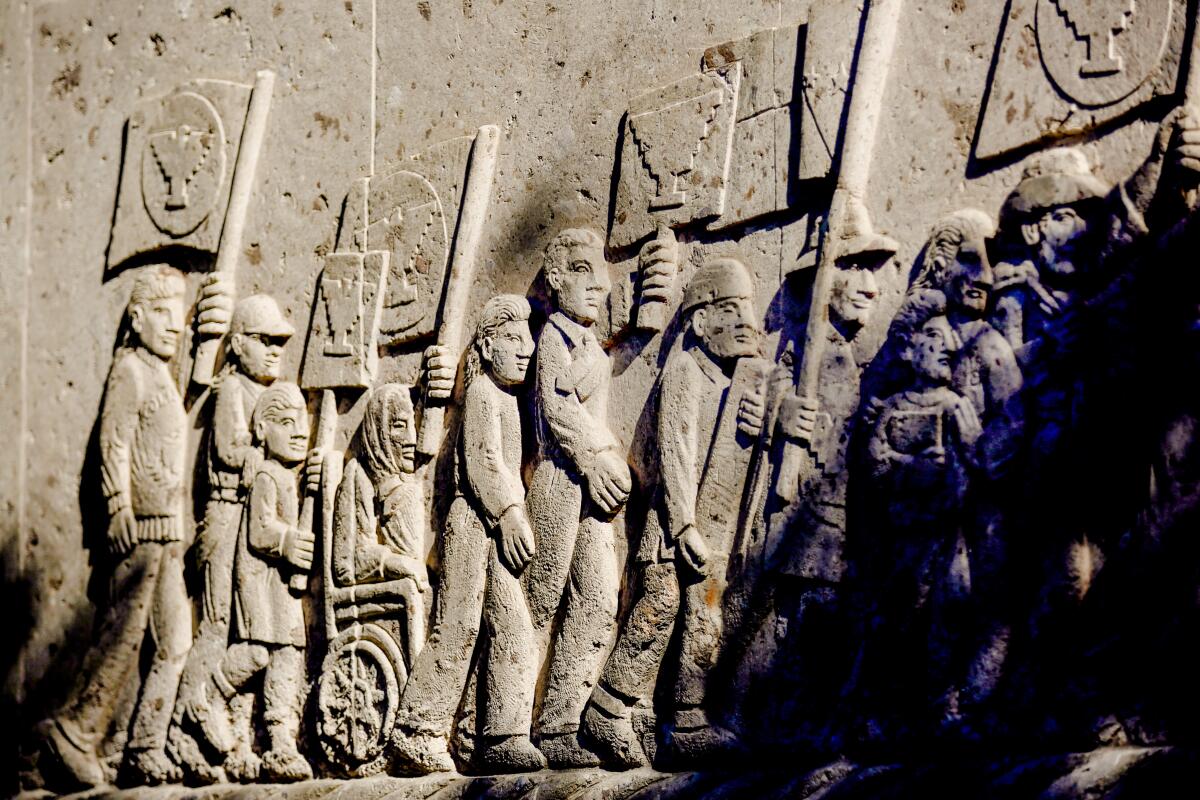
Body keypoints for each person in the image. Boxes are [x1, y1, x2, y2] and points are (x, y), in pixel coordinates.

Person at [37, 266, 230, 787]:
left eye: (180, 313)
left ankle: (137, 744)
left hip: (166, 529)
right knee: (121, 638)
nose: (175, 324)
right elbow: (113, 442)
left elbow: (180, 417)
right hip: (140, 529)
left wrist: (210, 338)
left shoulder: (161, 376)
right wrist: (118, 505)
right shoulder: (130, 371)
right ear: (137, 318)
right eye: (163, 313)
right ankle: (75, 732)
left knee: (173, 643)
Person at [580, 258, 766, 768]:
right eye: (731, 310)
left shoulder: (726, 382)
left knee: (699, 615)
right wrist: (684, 523)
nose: (745, 322)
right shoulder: (684, 371)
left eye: (747, 310)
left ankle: (675, 715)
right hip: (670, 529)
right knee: (658, 611)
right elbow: (675, 451)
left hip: (697, 528)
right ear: (701, 321)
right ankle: (611, 708)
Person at [392, 295, 545, 775]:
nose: (528, 349)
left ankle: (493, 734)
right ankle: (416, 729)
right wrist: (510, 512)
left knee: (513, 626)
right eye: (515, 339)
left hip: (493, 525)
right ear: (487, 343)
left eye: (529, 338)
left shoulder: (504, 397)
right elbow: (481, 463)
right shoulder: (481, 393)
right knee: (457, 627)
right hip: (474, 521)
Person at [168, 295, 297, 783]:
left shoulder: (258, 391)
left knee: (249, 634)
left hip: (254, 524)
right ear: (238, 344)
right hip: (226, 521)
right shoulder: (232, 392)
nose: (274, 351)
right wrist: (272, 445)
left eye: (280, 343)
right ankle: (188, 723)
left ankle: (231, 735)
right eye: (264, 341)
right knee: (218, 627)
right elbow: (228, 451)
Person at [524, 228, 632, 767]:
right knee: (539, 600)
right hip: (561, 481)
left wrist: (609, 458)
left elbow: (597, 417)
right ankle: (499, 725)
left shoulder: (593, 349)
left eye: (603, 271)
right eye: (586, 269)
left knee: (597, 598)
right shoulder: (551, 340)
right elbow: (558, 407)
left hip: (593, 491)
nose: (602, 283)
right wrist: (594, 459)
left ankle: (560, 722)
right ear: (557, 278)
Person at [215, 382, 316, 782]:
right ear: (261, 430)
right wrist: (288, 541)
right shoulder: (265, 477)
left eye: (302, 423)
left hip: (282, 587)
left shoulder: (286, 476)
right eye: (286, 422)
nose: (297, 431)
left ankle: (279, 738)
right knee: (257, 653)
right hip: (262, 580)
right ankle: (210, 698)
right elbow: (259, 531)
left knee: (289, 652)